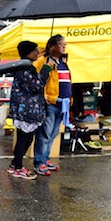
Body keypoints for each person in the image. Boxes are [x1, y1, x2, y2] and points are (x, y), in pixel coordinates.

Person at [7, 41, 48, 180]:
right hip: (25, 110)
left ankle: (15, 164)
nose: (37, 53)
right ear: (27, 53)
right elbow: (35, 86)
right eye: (35, 51)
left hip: (25, 109)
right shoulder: (24, 67)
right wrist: (45, 71)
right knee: (24, 139)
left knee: (27, 138)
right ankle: (18, 167)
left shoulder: (25, 65)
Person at [32, 34, 70, 176]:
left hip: (63, 103)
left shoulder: (64, 62)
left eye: (64, 44)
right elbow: (36, 79)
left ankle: (45, 159)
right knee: (45, 134)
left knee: (53, 133)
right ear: (51, 47)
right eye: (61, 44)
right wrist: (44, 96)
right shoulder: (43, 61)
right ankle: (39, 162)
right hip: (50, 103)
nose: (64, 46)